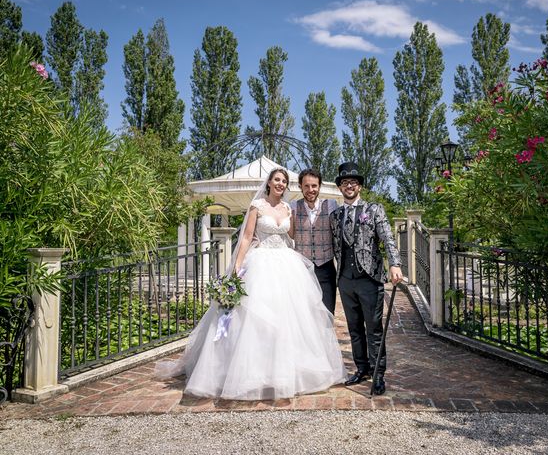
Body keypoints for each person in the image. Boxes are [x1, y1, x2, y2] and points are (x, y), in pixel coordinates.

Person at [157, 168, 346, 400]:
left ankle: (286, 372)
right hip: (261, 262)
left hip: (286, 264)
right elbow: (246, 237)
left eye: (284, 181)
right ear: (269, 182)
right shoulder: (257, 206)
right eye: (277, 180)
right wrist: (237, 265)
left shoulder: (289, 208)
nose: (280, 183)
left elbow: (294, 236)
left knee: (287, 319)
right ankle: (253, 372)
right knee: (257, 319)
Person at [330, 161, 402, 396]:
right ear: (340, 187)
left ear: (359, 186)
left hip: (369, 277)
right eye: (344, 182)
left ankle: (378, 373)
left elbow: (388, 239)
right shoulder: (335, 215)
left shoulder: (374, 209)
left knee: (374, 328)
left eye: (352, 182)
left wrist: (395, 264)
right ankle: (361, 368)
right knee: (354, 329)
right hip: (346, 280)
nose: (348, 186)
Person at [292, 168, 339, 314]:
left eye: (314, 186)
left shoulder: (331, 205)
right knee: (305, 315)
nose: (310, 189)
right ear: (300, 186)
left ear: (319, 186)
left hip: (326, 267)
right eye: (306, 186)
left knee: (327, 313)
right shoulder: (292, 206)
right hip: (302, 271)